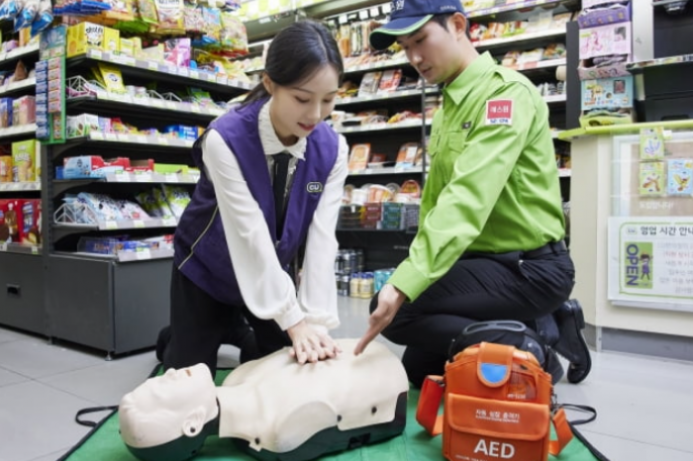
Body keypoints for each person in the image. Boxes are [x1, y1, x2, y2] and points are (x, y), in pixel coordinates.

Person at [354, 0, 591, 387]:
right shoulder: (448, 103)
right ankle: (542, 322)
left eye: (421, 39)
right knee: (421, 371)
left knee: (399, 313)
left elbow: (467, 197)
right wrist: (418, 266)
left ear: (458, 25)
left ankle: (534, 347)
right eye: (404, 47)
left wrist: (403, 282)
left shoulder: (505, 95)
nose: (414, 56)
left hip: (529, 268)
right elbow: (438, 200)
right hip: (483, 264)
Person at [157, 20, 349, 378]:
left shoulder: (333, 149)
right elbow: (249, 234)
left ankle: (234, 329)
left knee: (283, 366)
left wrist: (315, 322)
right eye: (302, 99)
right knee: (188, 376)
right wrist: (293, 322)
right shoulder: (224, 139)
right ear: (269, 84)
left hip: (272, 272)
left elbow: (322, 240)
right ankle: (188, 334)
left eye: (329, 99)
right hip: (207, 268)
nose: (315, 115)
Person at [120, 339, 409, 461]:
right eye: (161, 389)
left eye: (157, 379)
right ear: (193, 423)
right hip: (388, 377)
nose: (169, 371)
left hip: (370, 353)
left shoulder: (239, 378)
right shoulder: (280, 429)